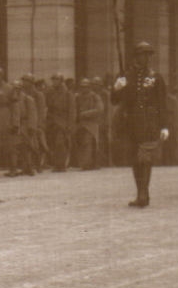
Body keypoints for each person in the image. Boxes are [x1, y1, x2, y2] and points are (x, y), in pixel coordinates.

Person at [110, 41, 170, 208]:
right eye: (142, 55)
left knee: (145, 158)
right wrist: (116, 88)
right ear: (136, 57)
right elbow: (114, 100)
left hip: (149, 123)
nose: (145, 58)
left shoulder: (156, 77)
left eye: (148, 55)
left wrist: (164, 126)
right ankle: (141, 193)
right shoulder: (125, 76)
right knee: (134, 159)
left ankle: (143, 193)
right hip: (129, 123)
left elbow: (162, 103)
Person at [44, 73, 76, 172]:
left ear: (61, 81)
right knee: (54, 143)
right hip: (52, 121)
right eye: (53, 79)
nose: (54, 81)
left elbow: (72, 111)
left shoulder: (67, 94)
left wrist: (70, 125)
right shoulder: (50, 92)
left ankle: (61, 165)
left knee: (60, 143)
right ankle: (56, 164)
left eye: (56, 79)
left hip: (63, 122)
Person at [72, 76, 103, 170]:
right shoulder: (77, 97)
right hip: (80, 123)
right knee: (81, 143)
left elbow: (99, 109)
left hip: (91, 123)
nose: (83, 88)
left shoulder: (95, 96)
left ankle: (87, 164)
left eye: (85, 87)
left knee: (88, 143)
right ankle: (84, 163)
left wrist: (85, 114)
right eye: (82, 87)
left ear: (89, 87)